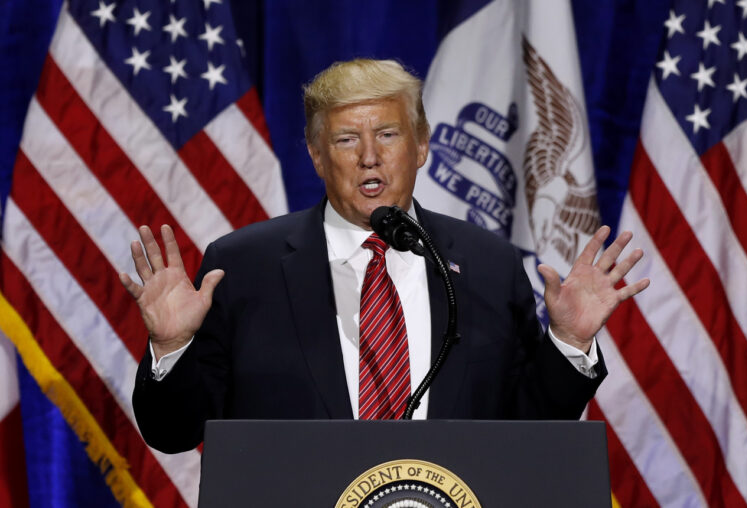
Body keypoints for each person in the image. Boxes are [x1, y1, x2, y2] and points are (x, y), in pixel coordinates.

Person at [121, 59, 649, 454]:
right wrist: (171, 347)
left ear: (421, 146)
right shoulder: (243, 267)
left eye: (389, 134)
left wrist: (570, 343)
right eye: (347, 138)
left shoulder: (488, 265)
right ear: (316, 155)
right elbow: (174, 434)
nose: (369, 156)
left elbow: (531, 432)